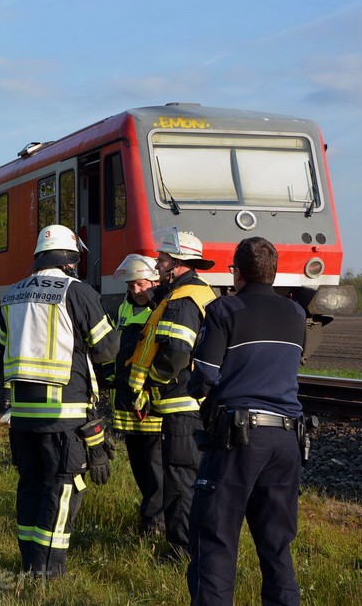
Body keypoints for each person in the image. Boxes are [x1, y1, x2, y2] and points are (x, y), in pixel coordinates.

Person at [186, 237, 307, 605]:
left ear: (235, 272)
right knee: (276, 544)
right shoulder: (295, 314)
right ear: (274, 273)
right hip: (288, 439)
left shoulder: (225, 309)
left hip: (239, 438)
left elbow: (205, 375)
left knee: (215, 537)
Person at [0, 224, 120, 578]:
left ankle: (29, 562)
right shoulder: (76, 291)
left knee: (32, 486)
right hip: (62, 415)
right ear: (71, 260)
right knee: (63, 489)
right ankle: (47, 572)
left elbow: (2, 344)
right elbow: (106, 349)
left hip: (22, 415)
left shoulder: (12, 294)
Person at [125, 229, 216, 562]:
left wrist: (151, 382)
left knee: (179, 478)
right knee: (187, 476)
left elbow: (176, 353)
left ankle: (181, 551)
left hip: (180, 403)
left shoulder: (181, 300)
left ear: (178, 263)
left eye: (162, 259)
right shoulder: (199, 292)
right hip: (192, 402)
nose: (158, 264)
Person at [106, 254, 165, 536]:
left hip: (151, 400)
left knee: (155, 465)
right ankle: (150, 515)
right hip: (127, 399)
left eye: (140, 285)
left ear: (154, 280)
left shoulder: (164, 308)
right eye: (131, 286)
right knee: (139, 464)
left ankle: (155, 521)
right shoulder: (124, 308)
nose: (135, 291)